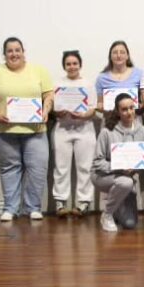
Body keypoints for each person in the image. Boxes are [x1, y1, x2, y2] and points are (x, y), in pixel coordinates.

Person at [0, 37, 54, 221]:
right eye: (10, 51)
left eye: (17, 50)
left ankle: (33, 208)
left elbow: (49, 95)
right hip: (4, 130)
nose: (14, 54)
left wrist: (46, 111)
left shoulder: (39, 70)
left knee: (37, 169)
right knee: (10, 169)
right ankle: (10, 209)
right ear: (4, 54)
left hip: (35, 130)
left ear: (23, 52)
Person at [92, 93, 144, 232]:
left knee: (130, 223)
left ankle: (117, 205)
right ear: (117, 111)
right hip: (102, 175)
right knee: (126, 183)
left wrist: (136, 169)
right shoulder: (107, 131)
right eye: (124, 109)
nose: (129, 112)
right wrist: (119, 168)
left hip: (127, 178)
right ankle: (107, 215)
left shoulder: (143, 132)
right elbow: (97, 162)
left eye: (131, 108)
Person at [51, 50, 97, 217]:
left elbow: (93, 108)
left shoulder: (88, 84)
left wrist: (83, 115)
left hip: (84, 129)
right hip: (62, 129)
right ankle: (60, 203)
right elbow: (53, 108)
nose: (72, 67)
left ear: (80, 65)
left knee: (85, 167)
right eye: (68, 64)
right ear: (64, 66)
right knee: (61, 167)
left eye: (75, 63)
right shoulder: (57, 84)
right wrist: (58, 112)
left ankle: (83, 203)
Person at [95, 40, 144, 114]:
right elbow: (99, 103)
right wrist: (100, 107)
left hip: (134, 118)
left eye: (122, 52)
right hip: (110, 118)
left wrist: (141, 105)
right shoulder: (102, 78)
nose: (118, 55)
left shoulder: (139, 74)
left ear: (127, 56)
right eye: (115, 53)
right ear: (110, 56)